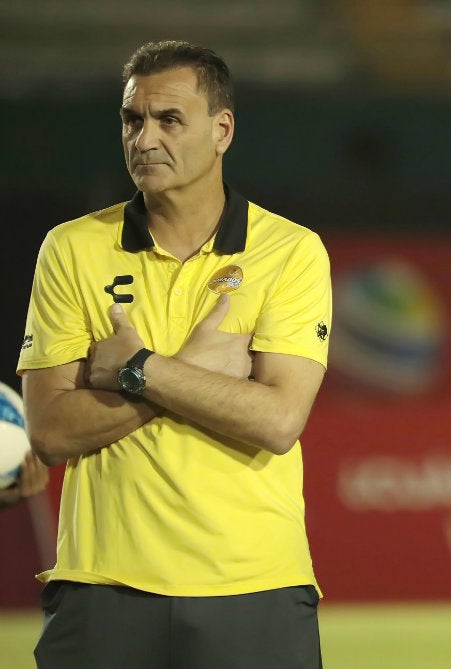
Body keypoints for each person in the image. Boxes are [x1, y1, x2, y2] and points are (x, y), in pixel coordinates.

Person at [18, 41, 332, 669]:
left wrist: (140, 369)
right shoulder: (72, 248)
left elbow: (276, 421)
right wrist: (193, 373)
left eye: (169, 120)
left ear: (223, 130)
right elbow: (51, 432)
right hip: (102, 588)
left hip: (254, 587)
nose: (144, 138)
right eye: (132, 120)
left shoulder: (291, 252)